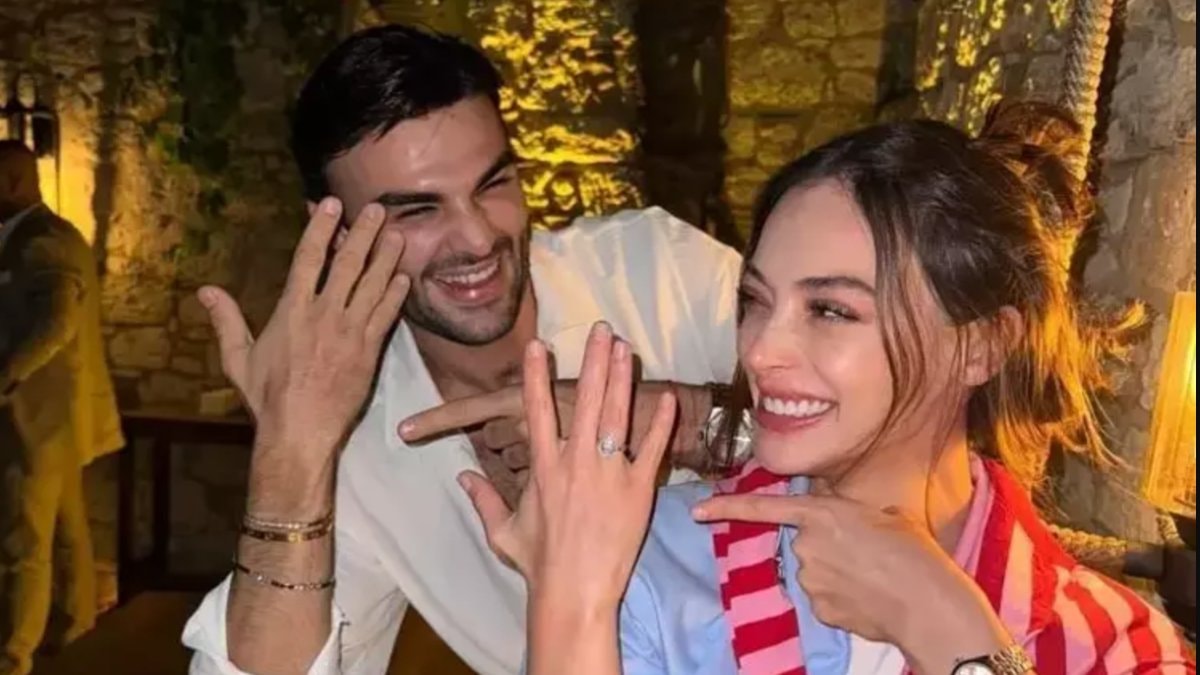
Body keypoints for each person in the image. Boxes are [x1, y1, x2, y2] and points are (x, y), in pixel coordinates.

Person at [464, 102, 1198, 675]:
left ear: (979, 345)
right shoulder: (651, 562)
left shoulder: (1118, 642)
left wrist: (955, 636)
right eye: (755, 300)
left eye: (830, 310)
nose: (759, 349)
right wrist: (570, 600)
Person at [181, 24, 743, 675]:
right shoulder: (356, 441)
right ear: (332, 232)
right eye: (417, 211)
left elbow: (853, 433)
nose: (477, 239)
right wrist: (287, 460)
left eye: (492, 184)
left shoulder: (661, 270)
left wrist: (689, 423)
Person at [0, 140, 124, 675]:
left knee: (22, 543)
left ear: (12, 181)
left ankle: (12, 657)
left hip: (37, 419)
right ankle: (78, 631)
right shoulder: (38, 237)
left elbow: (56, 324)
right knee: (68, 530)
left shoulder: (42, 242)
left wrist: (4, 376)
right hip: (53, 419)